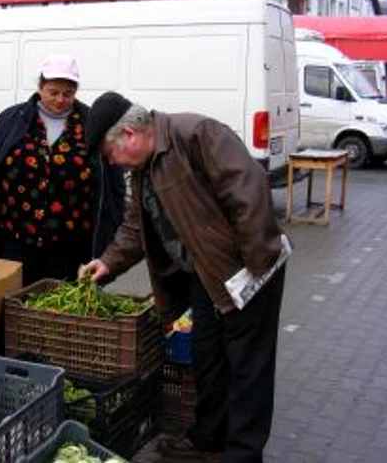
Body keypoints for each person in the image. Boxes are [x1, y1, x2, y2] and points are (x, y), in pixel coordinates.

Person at [79, 91, 288, 463]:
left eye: (110, 156)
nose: (114, 165)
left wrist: (251, 271)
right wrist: (108, 263)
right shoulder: (142, 169)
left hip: (249, 273)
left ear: (128, 133)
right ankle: (208, 439)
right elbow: (135, 225)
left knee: (248, 369)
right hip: (208, 277)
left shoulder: (196, 134)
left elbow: (251, 194)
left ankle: (242, 454)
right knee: (208, 356)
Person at [0, 55, 125, 287]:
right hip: (16, 235)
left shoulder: (91, 123)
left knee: (62, 303)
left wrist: (115, 223)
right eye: (53, 92)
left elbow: (114, 177)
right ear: (40, 88)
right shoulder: (12, 119)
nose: (60, 99)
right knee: (13, 298)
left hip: (71, 239)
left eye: (68, 93)